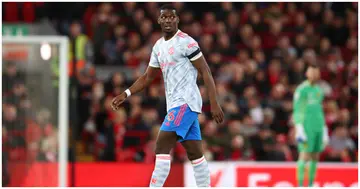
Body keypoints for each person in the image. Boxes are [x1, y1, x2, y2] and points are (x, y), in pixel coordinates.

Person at [111, 4, 224, 187]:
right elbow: (148, 77)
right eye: (164, 17)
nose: (168, 20)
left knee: (161, 145)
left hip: (185, 103)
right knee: (195, 153)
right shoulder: (158, 46)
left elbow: (206, 72)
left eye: (171, 17)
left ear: (177, 19)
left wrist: (214, 103)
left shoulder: (186, 42)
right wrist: (127, 93)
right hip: (175, 105)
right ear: (159, 20)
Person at [293, 64, 329, 186]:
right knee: (304, 155)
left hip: (318, 126)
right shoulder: (301, 90)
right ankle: (300, 186)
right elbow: (297, 109)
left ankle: (310, 185)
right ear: (307, 74)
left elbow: (320, 109)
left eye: (316, 72)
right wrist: (298, 127)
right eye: (312, 72)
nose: (314, 75)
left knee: (315, 156)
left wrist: (324, 128)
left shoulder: (319, 91)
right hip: (306, 126)